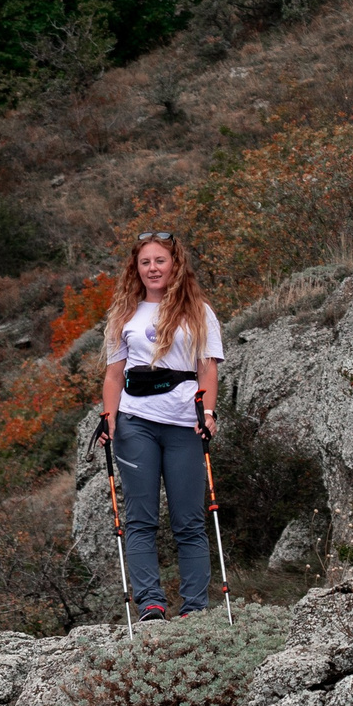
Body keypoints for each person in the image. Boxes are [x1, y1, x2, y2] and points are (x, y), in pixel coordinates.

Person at [98, 231, 223, 621]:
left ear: (175, 264)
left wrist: (208, 415)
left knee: (188, 520)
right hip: (135, 424)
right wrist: (109, 418)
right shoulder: (125, 314)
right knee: (140, 519)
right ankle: (151, 604)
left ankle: (195, 608)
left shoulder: (199, 311)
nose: (153, 268)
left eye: (160, 261)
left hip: (184, 424)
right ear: (136, 270)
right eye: (145, 262)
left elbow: (208, 368)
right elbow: (114, 374)